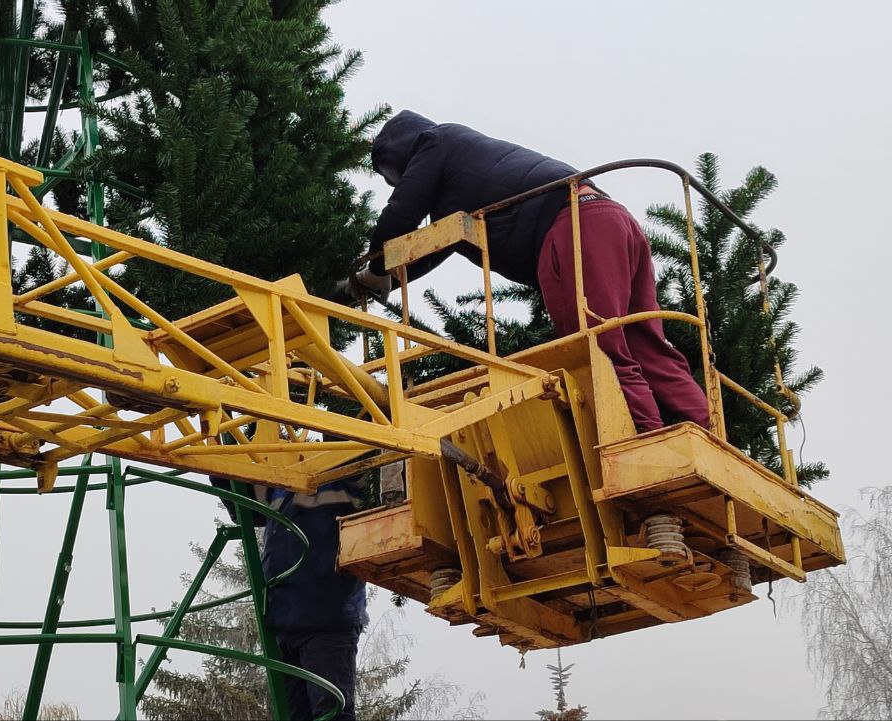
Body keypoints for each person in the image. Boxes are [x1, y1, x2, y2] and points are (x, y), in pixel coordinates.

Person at [341, 109, 709, 433]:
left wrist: (375, 267)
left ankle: (642, 445)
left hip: (572, 229)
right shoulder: (464, 173)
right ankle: (711, 436)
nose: (396, 183)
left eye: (393, 176)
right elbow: (438, 244)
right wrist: (386, 276)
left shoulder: (434, 142)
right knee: (644, 343)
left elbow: (402, 213)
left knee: (594, 348)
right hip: (610, 219)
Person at [210, 472, 368, 721]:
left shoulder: (346, 476)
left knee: (331, 713)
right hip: (284, 619)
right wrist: (219, 453)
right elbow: (240, 503)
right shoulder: (279, 485)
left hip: (327, 617)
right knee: (295, 715)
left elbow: (361, 459)